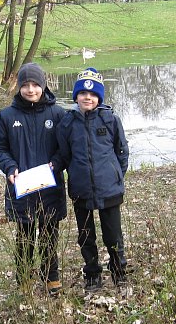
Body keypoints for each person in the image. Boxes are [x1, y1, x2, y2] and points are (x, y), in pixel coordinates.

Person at [0, 63, 67, 296]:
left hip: (50, 187)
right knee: (24, 236)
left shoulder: (58, 114)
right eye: (26, 85)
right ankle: (24, 278)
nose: (31, 90)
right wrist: (9, 167)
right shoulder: (7, 116)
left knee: (49, 234)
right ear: (19, 87)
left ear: (43, 85)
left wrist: (56, 163)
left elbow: (66, 147)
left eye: (35, 85)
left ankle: (51, 277)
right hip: (21, 188)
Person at [53, 67, 130, 292]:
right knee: (86, 236)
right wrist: (77, 174)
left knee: (113, 235)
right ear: (76, 96)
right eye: (83, 93)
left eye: (93, 94)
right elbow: (65, 155)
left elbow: (122, 151)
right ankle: (92, 273)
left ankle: (119, 272)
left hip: (109, 189)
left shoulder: (110, 120)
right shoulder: (67, 124)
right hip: (81, 190)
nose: (88, 97)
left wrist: (115, 175)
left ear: (99, 97)